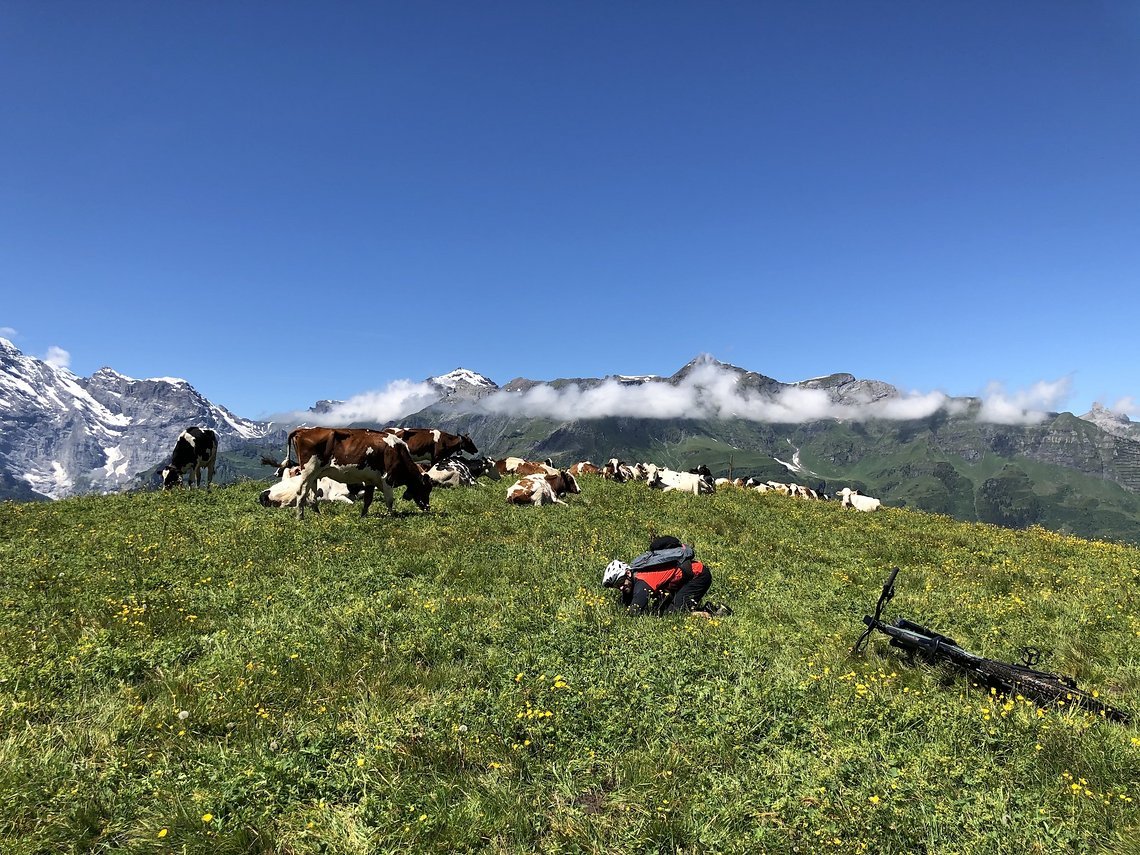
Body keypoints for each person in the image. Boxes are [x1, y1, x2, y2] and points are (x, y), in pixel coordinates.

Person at [601, 535, 730, 616]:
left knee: (675, 614)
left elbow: (635, 610)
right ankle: (706, 608)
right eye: (617, 586)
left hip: (698, 576)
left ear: (628, 573)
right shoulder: (636, 576)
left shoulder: (642, 581)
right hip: (687, 577)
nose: (621, 587)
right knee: (661, 608)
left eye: (621, 582)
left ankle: (716, 613)